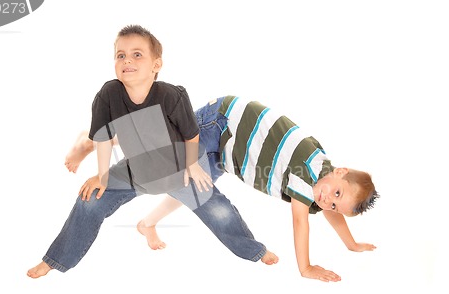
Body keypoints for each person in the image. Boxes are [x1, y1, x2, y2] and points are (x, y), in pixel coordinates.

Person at [27, 25, 278, 279]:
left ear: (156, 65)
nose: (127, 60)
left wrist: (192, 166)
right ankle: (54, 260)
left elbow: (191, 135)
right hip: (136, 170)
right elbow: (103, 137)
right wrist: (102, 176)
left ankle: (254, 250)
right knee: (89, 200)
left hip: (178, 169)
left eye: (137, 55)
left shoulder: (171, 96)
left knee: (219, 210)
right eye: (120, 55)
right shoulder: (108, 94)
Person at [64, 96, 380, 282]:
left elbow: (331, 213)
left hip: (228, 152)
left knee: (189, 185)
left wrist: (350, 244)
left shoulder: (325, 180)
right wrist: (306, 268)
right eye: (335, 194)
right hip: (223, 123)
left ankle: (147, 224)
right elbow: (301, 221)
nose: (328, 202)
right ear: (339, 172)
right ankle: (93, 141)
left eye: (336, 205)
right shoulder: (308, 176)